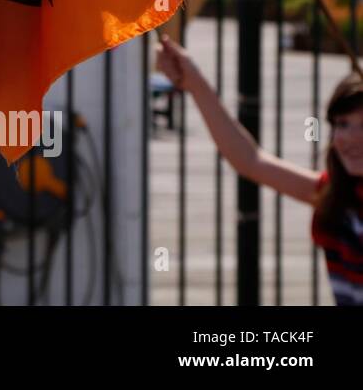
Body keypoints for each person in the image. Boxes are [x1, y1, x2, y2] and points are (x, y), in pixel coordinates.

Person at [155, 33, 363, 305]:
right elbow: (249, 160)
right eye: (342, 124)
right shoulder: (331, 194)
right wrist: (194, 82)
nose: (350, 137)